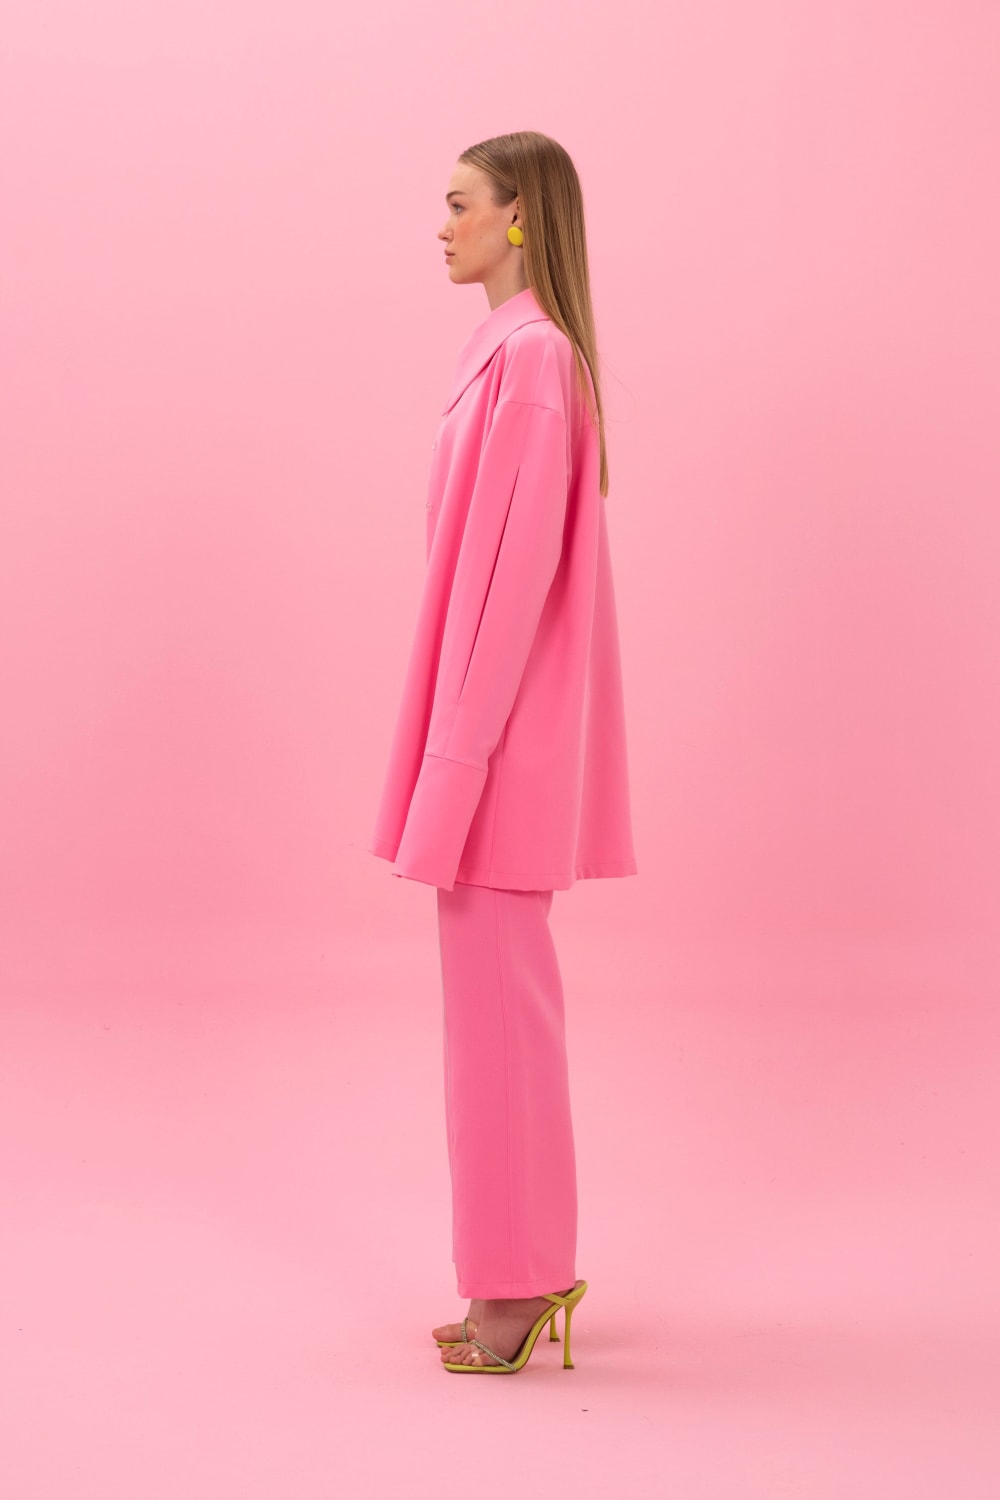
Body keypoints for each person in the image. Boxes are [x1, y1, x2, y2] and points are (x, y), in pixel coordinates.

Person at [369, 131, 636, 1373]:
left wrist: (456, 765)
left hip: (495, 745)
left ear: (518, 214)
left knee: (501, 1025)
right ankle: (512, 1271)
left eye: (460, 203)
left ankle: (519, 1287)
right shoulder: (514, 356)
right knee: (493, 1020)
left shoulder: (531, 361)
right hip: (485, 736)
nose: (442, 225)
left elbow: (513, 584)